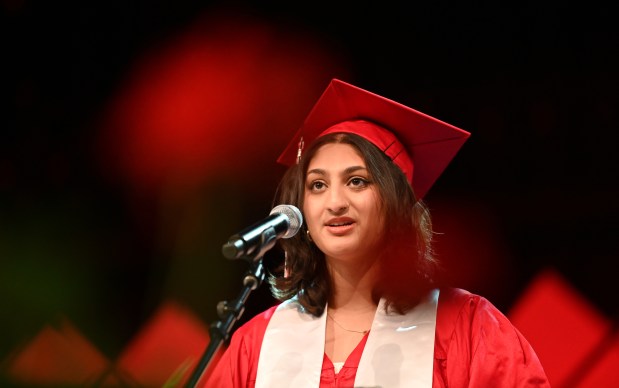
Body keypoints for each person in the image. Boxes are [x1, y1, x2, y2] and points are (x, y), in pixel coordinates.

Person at [204, 79, 549, 387]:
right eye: (318, 185)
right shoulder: (259, 342)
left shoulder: (466, 327)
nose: (334, 202)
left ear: (397, 202)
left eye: (357, 181)